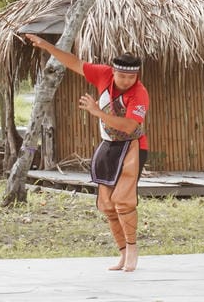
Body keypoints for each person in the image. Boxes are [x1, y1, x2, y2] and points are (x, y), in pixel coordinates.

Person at [24, 33, 149, 272]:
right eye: (121, 75)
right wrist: (46, 45)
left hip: (132, 148)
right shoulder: (102, 74)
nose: (125, 80)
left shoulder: (139, 93)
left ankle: (133, 249)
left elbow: (130, 126)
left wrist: (97, 112)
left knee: (123, 202)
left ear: (137, 75)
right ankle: (122, 252)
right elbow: (73, 62)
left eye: (131, 77)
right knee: (107, 205)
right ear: (113, 72)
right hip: (107, 146)